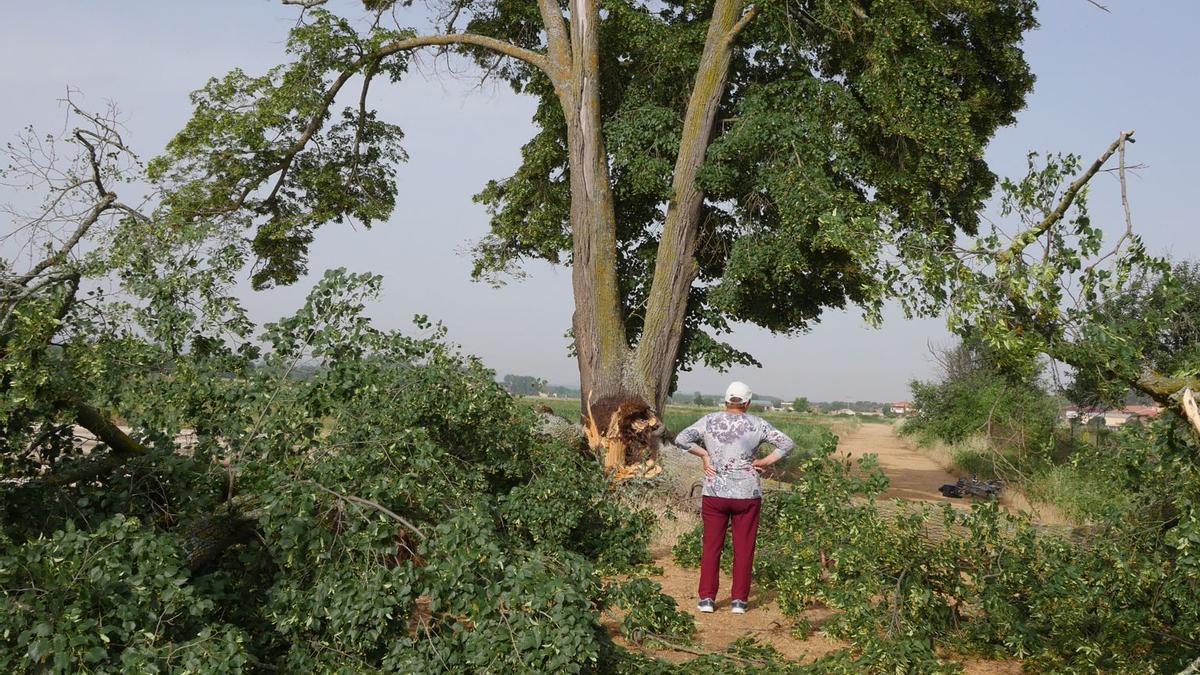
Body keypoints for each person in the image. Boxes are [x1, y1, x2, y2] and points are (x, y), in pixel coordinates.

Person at [674, 381, 794, 614]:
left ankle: (707, 599)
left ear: (726, 401)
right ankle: (739, 600)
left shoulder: (709, 420)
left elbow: (681, 439)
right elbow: (787, 443)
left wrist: (704, 455)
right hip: (746, 494)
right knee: (744, 547)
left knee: (711, 546)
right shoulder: (758, 424)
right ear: (747, 403)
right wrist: (764, 462)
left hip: (714, 493)